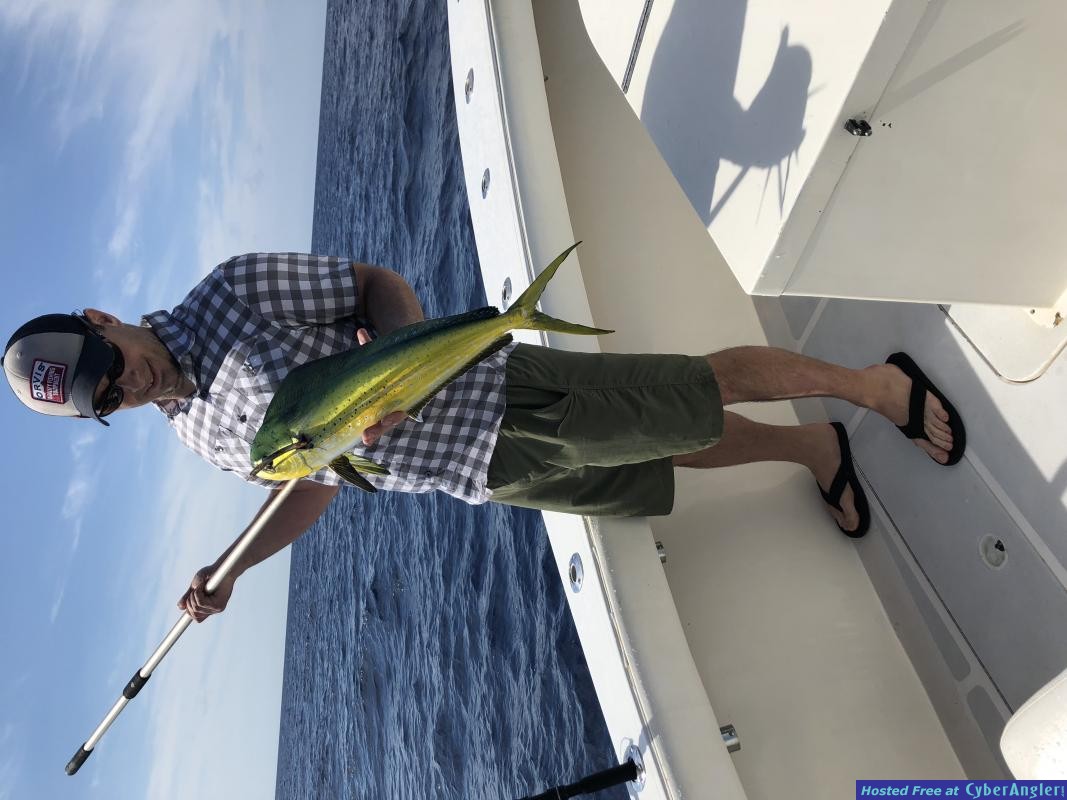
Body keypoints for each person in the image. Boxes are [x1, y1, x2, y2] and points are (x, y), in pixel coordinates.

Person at [3, 253, 964, 623]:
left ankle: (872, 386)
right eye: (105, 401)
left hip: (497, 393)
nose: (126, 385)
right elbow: (316, 481)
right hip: (484, 476)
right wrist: (233, 570)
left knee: (691, 386)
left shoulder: (228, 292)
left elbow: (372, 285)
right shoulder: (193, 433)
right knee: (661, 445)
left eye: (109, 363)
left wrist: (399, 349)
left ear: (102, 320)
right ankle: (813, 450)